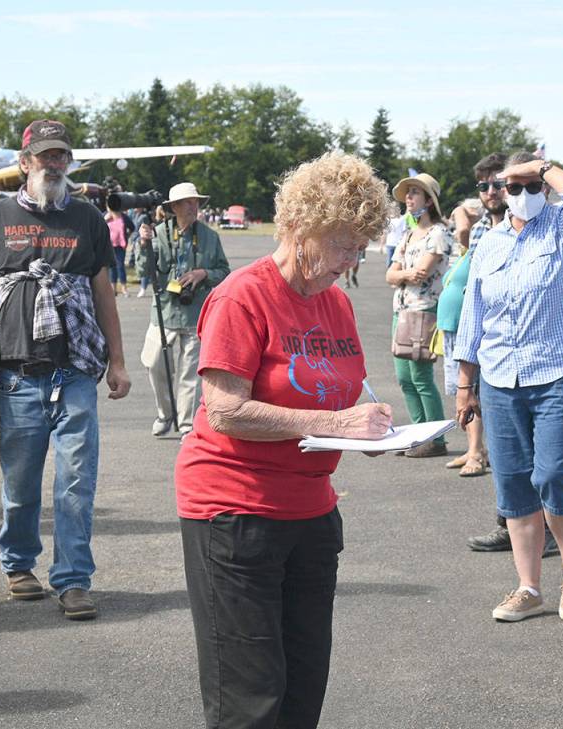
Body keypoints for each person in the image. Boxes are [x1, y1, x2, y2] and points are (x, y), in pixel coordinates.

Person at [175, 152, 393, 729]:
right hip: (235, 512)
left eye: (361, 246)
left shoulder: (336, 302)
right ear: (299, 227)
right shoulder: (240, 297)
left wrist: (371, 421)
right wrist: (336, 425)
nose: (354, 259)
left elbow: (344, 391)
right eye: (344, 244)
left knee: (302, 687)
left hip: (312, 513)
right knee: (250, 696)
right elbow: (225, 412)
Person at [0, 119, 131, 620]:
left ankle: (73, 580)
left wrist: (116, 361)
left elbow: (102, 294)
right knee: (21, 480)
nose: (53, 164)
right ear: (24, 162)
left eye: (61, 156)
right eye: (44, 156)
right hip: (16, 375)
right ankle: (19, 564)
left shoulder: (88, 219)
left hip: (74, 372)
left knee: (75, 480)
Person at [454, 152, 563, 623]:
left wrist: (541, 168)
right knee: (514, 483)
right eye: (510, 187)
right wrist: (464, 382)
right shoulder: (489, 243)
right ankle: (528, 586)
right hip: (500, 376)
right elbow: (473, 314)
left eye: (531, 186)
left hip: (560, 371)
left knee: (555, 475)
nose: (521, 196)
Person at [135, 182, 230, 437]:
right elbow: (143, 270)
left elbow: (224, 273)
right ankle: (165, 414)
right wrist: (143, 244)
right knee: (154, 363)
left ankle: (187, 425)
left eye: (196, 201)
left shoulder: (210, 237)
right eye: (188, 202)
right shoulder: (158, 233)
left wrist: (204, 273)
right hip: (164, 311)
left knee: (191, 373)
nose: (193, 206)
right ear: (174, 207)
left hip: (197, 312)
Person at [441, 155, 507, 479]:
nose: (491, 191)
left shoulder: (522, 224)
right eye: (484, 186)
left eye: (498, 183)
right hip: (471, 321)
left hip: (500, 327)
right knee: (466, 392)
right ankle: (474, 450)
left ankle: (484, 454)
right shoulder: (481, 228)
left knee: (489, 396)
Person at [385, 172, 453, 458]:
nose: (409, 199)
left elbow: (421, 272)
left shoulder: (439, 233)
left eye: (415, 193)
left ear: (429, 200)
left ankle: (435, 439)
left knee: (421, 376)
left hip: (424, 310)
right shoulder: (408, 234)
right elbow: (391, 274)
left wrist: (401, 274)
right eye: (408, 193)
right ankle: (416, 434)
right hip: (401, 310)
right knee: (404, 377)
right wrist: (402, 275)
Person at [104, 204, 133, 296]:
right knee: (112, 267)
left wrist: (126, 236)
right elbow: (97, 225)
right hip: (109, 245)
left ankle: (124, 288)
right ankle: (113, 289)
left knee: (120, 266)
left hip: (120, 245)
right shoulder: (105, 215)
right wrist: (105, 219)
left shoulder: (123, 216)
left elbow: (132, 227)